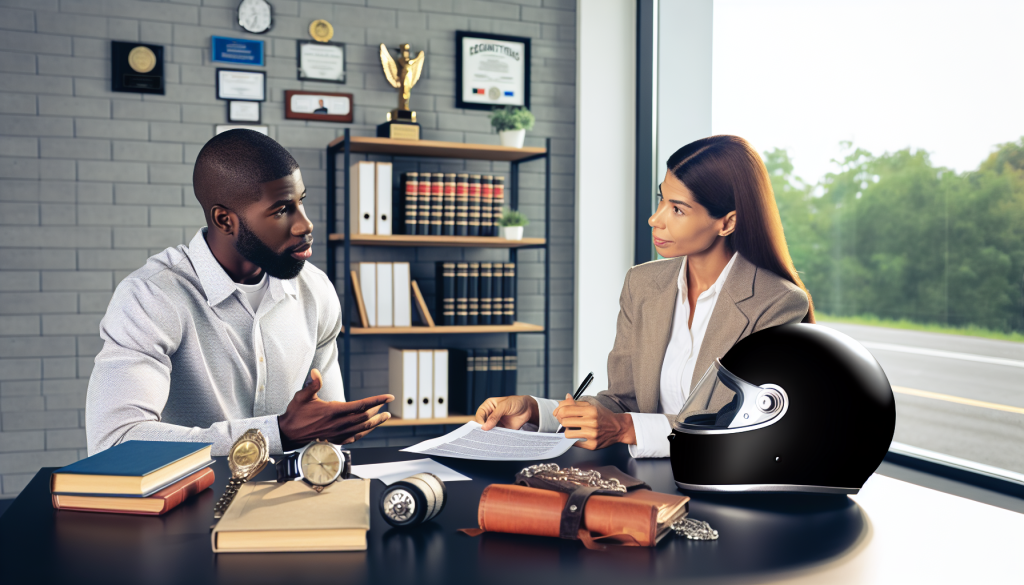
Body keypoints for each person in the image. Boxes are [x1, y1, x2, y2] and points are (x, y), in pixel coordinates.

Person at [475, 135, 813, 457]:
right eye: (661, 199)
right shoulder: (642, 283)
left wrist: (625, 429)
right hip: (643, 483)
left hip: (724, 491)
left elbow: (742, 428)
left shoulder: (777, 304)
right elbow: (622, 403)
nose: (655, 219)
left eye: (678, 209)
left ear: (727, 223)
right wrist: (536, 411)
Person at [86, 129, 393, 456]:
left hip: (291, 498)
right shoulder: (151, 297)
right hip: (192, 499)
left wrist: (334, 429)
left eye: (301, 202)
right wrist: (276, 434)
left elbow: (326, 436)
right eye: (280, 210)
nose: (305, 224)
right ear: (225, 220)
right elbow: (114, 443)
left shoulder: (316, 290)